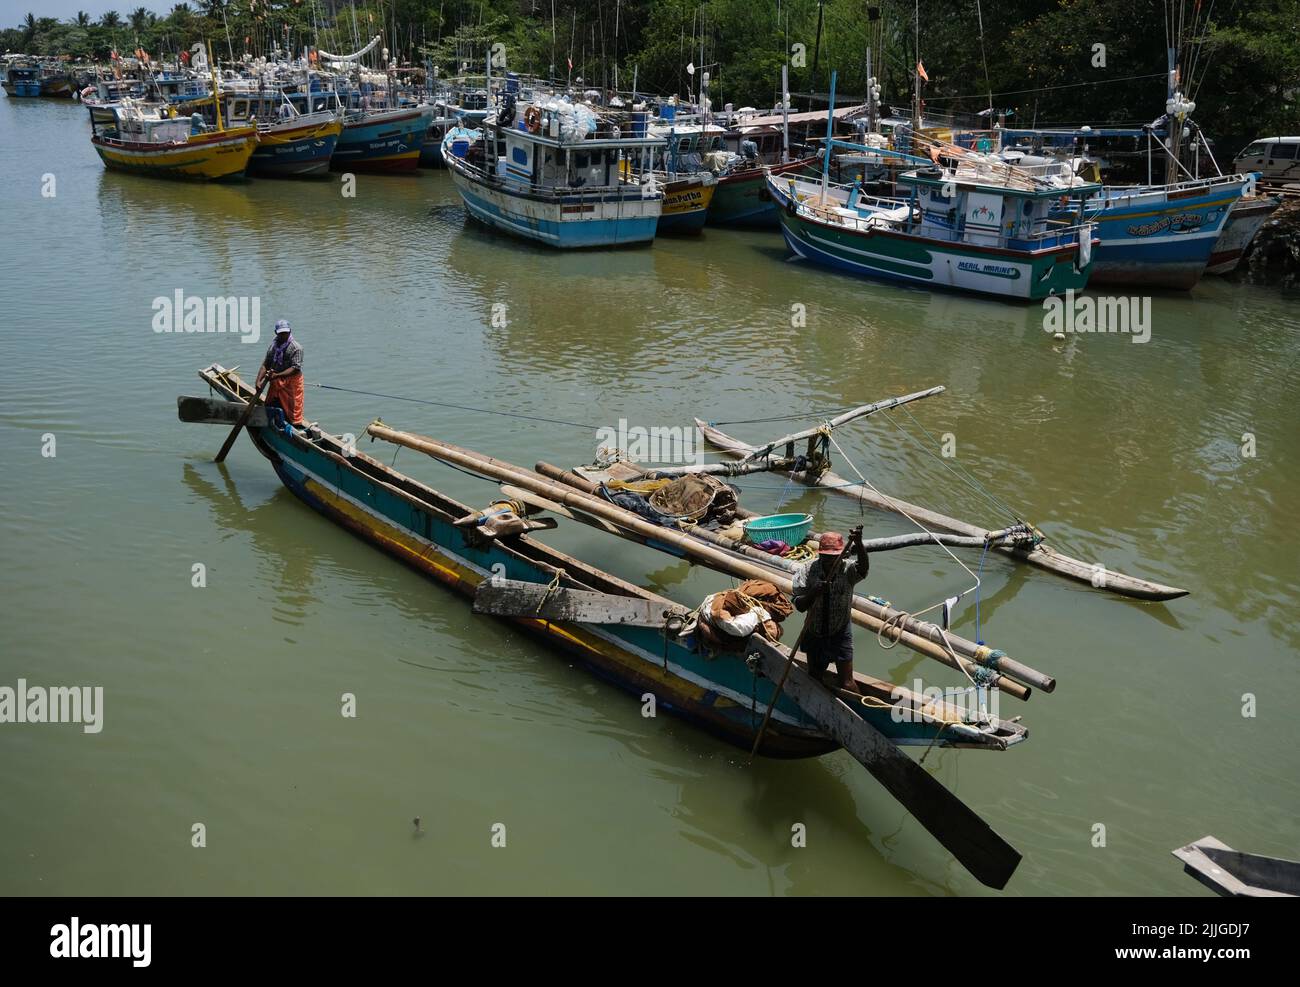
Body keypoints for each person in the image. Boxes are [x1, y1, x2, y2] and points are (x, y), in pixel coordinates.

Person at [792, 526, 869, 694]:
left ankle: (856, 710)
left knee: (847, 683)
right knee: (814, 676)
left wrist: (859, 543)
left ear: (841, 555)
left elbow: (863, 569)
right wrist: (813, 593)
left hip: (839, 631)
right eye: (825, 556)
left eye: (833, 557)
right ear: (820, 553)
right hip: (814, 631)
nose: (829, 561)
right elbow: (799, 605)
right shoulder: (806, 570)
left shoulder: (848, 570)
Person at [255, 319, 305, 428]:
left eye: (285, 333)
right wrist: (258, 380)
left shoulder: (296, 348)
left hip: (291, 383)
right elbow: (266, 363)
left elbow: (295, 368)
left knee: (292, 410)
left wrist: (277, 375)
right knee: (272, 404)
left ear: (290, 331)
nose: (283, 335)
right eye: (281, 333)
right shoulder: (273, 346)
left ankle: (293, 428)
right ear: (276, 333)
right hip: (276, 381)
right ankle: (274, 424)